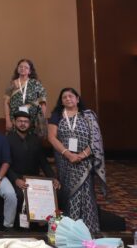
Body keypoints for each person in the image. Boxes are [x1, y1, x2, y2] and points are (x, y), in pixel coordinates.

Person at [47, 88, 105, 233]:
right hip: (65, 162)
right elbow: (52, 138)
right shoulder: (57, 115)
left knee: (86, 193)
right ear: (61, 101)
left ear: (77, 99)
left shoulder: (88, 116)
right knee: (69, 193)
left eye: (71, 96)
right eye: (64, 97)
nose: (68, 99)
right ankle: (70, 230)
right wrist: (68, 154)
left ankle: (89, 229)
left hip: (85, 163)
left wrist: (82, 155)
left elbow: (96, 139)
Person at [6, 111, 63, 221]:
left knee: (56, 191)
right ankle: (23, 226)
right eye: (20, 121)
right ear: (14, 122)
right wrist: (16, 180)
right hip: (16, 178)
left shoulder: (35, 140)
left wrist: (53, 178)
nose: (23, 124)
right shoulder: (7, 140)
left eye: (26, 121)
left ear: (30, 123)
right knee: (21, 195)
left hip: (34, 179)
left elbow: (44, 163)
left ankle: (48, 223)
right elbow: (5, 164)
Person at [4, 59, 47, 137]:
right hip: (15, 119)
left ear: (30, 71)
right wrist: (8, 120)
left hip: (33, 120)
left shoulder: (36, 84)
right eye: (20, 67)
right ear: (17, 69)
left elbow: (43, 103)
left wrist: (41, 120)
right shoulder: (12, 84)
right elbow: (6, 103)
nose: (23, 68)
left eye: (26, 67)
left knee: (32, 141)